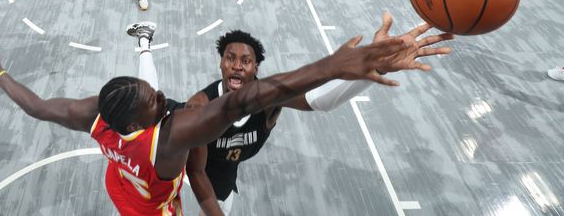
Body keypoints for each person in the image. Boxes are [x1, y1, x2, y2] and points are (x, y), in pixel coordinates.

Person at [0, 19, 453, 215]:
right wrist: (336, 63)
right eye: (157, 101)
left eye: (247, 61)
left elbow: (35, 105)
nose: (165, 97)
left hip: (123, 185)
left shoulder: (98, 115)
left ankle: (142, 39)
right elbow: (242, 108)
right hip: (162, 201)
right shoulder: (185, 124)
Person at [185, 14, 445, 215]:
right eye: (230, 58)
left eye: (246, 61)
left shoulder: (268, 100)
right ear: (221, 62)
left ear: (256, 68)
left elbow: (318, 100)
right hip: (183, 175)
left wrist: (377, 66)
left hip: (223, 179)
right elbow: (195, 172)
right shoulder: (199, 107)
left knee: (222, 195)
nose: (238, 66)